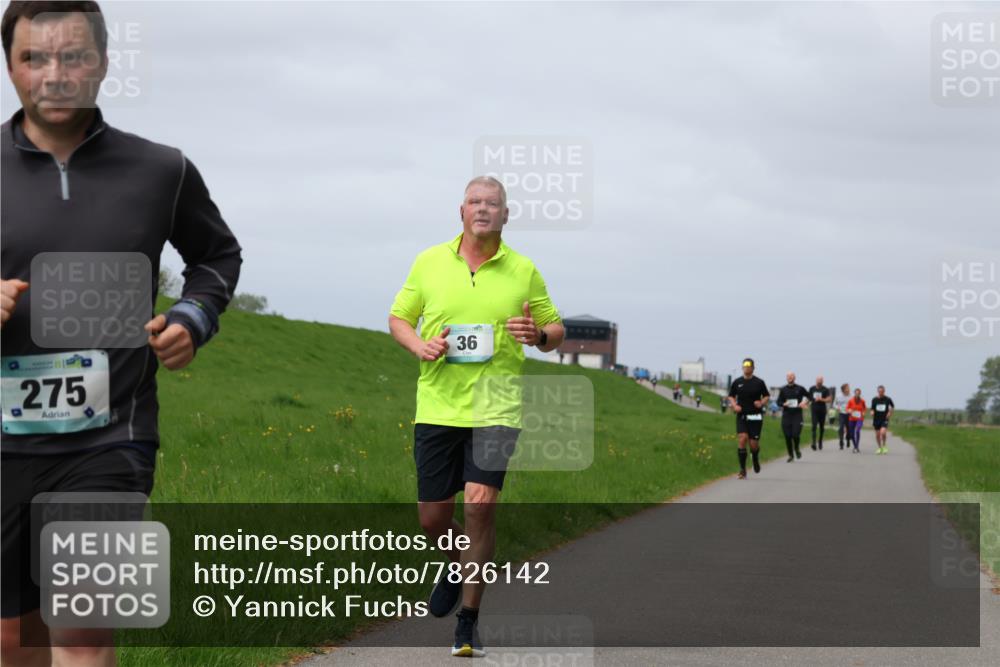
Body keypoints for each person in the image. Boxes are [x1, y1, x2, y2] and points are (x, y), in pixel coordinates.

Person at [0, 3, 243, 665]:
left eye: (73, 56)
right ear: (11, 66)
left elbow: (216, 256)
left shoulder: (161, 170)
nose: (55, 75)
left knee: (83, 628)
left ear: (104, 62)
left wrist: (192, 318)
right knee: (13, 638)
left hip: (110, 438)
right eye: (34, 58)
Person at [389, 176, 564, 657]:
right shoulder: (429, 262)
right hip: (438, 406)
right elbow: (399, 318)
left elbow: (555, 328)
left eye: (492, 203)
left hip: (496, 408)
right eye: (474, 201)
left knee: (480, 507)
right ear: (461, 211)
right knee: (432, 518)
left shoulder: (524, 270)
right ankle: (454, 562)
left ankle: (467, 621)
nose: (483, 209)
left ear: (506, 214)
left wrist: (538, 335)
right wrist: (419, 345)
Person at [727, 358, 770, 479]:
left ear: (753, 368)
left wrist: (761, 403)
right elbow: (731, 396)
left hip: (755, 416)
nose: (746, 368)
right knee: (742, 438)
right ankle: (742, 470)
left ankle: (755, 457)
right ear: (742, 368)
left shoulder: (759, 382)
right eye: (744, 366)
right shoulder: (737, 382)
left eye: (749, 366)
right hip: (742, 415)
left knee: (753, 444)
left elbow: (766, 396)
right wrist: (735, 405)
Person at [776, 372, 810, 462]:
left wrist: (804, 403)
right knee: (787, 436)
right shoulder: (783, 389)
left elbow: (809, 396)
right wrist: (783, 404)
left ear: (794, 378)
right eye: (788, 376)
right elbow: (778, 402)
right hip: (786, 415)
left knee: (795, 435)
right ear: (786, 378)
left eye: (791, 376)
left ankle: (797, 449)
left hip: (797, 415)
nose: (790, 377)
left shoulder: (800, 388)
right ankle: (790, 455)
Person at [808, 376, 832, 450]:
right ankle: (814, 443)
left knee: (821, 427)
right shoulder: (812, 388)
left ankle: (820, 441)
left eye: (821, 380)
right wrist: (805, 403)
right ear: (816, 381)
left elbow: (829, 399)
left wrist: (821, 399)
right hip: (814, 410)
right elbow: (808, 397)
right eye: (818, 380)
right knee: (814, 426)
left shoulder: (825, 389)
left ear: (822, 381)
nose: (819, 382)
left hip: (822, 410)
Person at [870, 385, 895, 455]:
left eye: (882, 391)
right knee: (877, 435)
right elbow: (872, 408)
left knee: (883, 432)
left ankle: (884, 446)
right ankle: (879, 447)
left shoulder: (888, 399)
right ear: (877, 391)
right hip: (876, 419)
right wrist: (872, 412)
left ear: (884, 391)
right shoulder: (874, 399)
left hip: (884, 419)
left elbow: (892, 406)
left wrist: (890, 412)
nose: (880, 393)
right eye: (879, 391)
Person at [845, 388, 866, 453]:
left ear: (860, 394)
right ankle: (855, 446)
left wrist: (863, 412)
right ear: (854, 393)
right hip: (852, 419)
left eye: (858, 393)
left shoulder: (862, 401)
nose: (857, 394)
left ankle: (856, 446)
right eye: (856, 393)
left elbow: (864, 408)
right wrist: (849, 411)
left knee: (857, 430)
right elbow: (847, 409)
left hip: (859, 418)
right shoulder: (850, 401)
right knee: (851, 434)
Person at [834, 383, 852, 450]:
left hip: (849, 414)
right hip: (841, 413)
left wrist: (852, 409)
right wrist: (837, 407)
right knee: (841, 427)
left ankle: (848, 439)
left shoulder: (851, 396)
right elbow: (834, 404)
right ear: (843, 390)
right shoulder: (838, 396)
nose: (849, 389)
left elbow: (854, 404)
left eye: (849, 388)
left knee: (848, 428)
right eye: (847, 388)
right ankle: (841, 441)